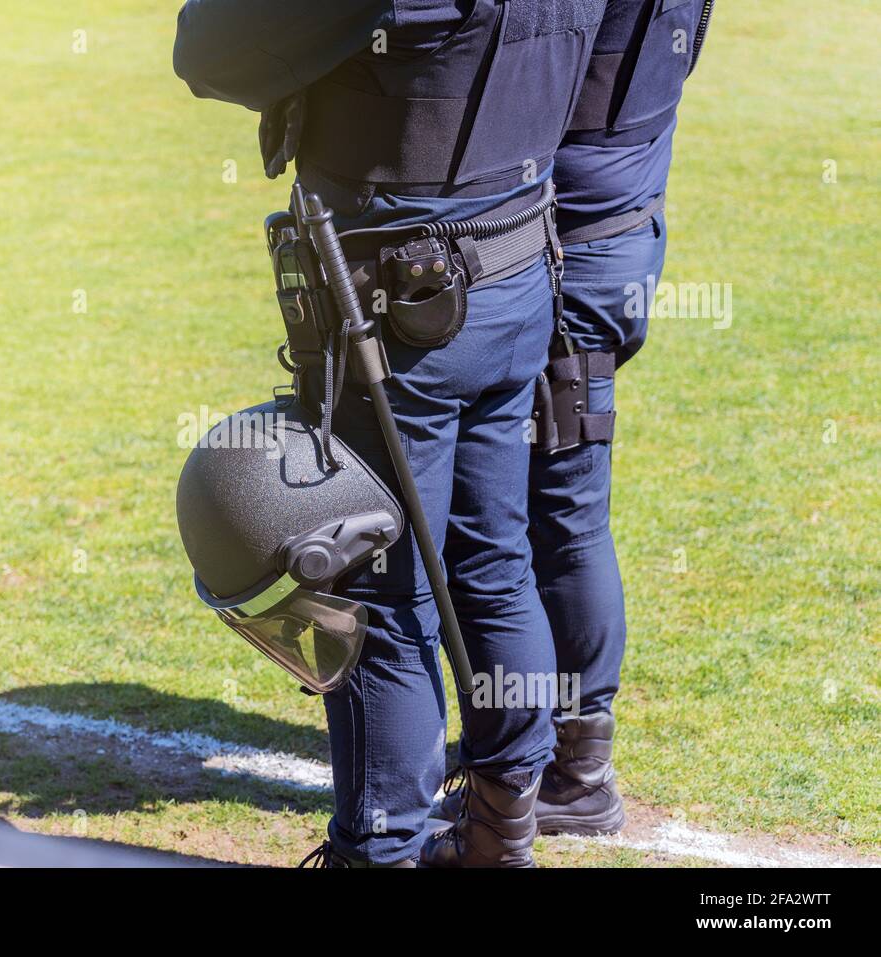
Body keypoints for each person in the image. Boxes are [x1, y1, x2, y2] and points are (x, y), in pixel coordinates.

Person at [175, 0, 607, 867]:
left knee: (379, 588)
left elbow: (208, 49)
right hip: (519, 265)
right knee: (494, 559)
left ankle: (382, 848)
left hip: (404, 306)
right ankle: (501, 828)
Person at [438, 0, 716, 837]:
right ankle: (539, 743)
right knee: (555, 507)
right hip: (621, 238)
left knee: (560, 512)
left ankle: (576, 770)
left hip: (573, 258)